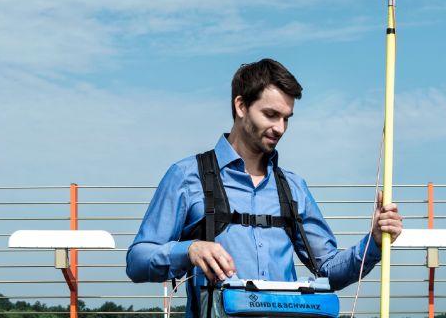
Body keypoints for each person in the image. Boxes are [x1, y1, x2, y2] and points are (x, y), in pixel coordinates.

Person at [126, 58, 403, 318]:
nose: (280, 128)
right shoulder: (186, 176)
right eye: (271, 114)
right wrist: (190, 250)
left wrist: (375, 241)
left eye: (287, 118)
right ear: (241, 106)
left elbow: (328, 269)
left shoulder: (293, 187)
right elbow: (137, 261)